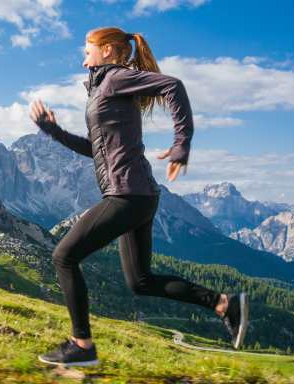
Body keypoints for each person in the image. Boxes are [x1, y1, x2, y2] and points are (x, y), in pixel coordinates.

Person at [30, 27, 249, 367]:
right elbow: (97, 150)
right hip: (139, 195)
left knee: (64, 256)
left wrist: (181, 144)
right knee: (141, 281)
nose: (82, 57)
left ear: (106, 51)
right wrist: (54, 131)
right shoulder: (104, 87)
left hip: (128, 195)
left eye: (87, 50)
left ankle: (81, 345)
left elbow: (173, 86)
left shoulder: (116, 78)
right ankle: (224, 304)